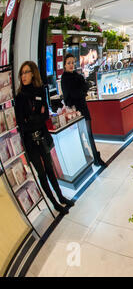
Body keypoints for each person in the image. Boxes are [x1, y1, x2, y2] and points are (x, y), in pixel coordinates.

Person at [15, 61, 73, 214]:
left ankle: (60, 197)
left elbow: (45, 115)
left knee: (50, 169)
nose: (23, 76)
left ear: (33, 73)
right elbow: (22, 124)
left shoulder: (40, 90)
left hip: (42, 137)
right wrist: (35, 119)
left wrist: (34, 119)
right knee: (41, 173)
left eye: (26, 72)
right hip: (30, 142)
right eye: (22, 73)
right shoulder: (20, 97)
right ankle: (54, 203)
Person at [61, 53, 106, 166]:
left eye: (73, 62)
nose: (71, 65)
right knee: (80, 137)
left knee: (89, 134)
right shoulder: (65, 78)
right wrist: (81, 91)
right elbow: (70, 96)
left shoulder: (78, 76)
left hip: (83, 109)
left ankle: (96, 158)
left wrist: (80, 91)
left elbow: (84, 88)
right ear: (65, 65)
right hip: (75, 112)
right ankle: (86, 159)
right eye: (69, 63)